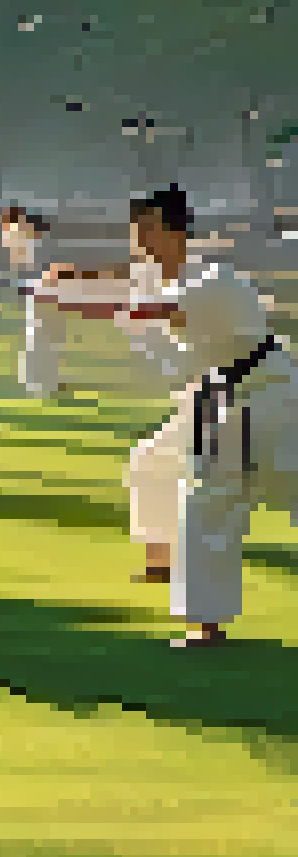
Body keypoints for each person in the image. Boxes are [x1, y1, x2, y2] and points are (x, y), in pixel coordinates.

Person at [38, 186, 295, 640]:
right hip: (225, 401)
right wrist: (75, 275)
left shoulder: (214, 279)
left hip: (274, 398)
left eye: (149, 228)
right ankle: (204, 621)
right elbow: (127, 281)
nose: (139, 239)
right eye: (136, 229)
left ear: (177, 233)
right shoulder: (167, 274)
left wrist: (66, 301)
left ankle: (196, 607)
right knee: (204, 505)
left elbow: (148, 308)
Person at [2, 208, 66, 399]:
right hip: (37, 292)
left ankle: (43, 380)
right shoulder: (23, 241)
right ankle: (37, 381)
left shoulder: (28, 242)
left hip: (41, 291)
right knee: (38, 336)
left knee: (44, 336)